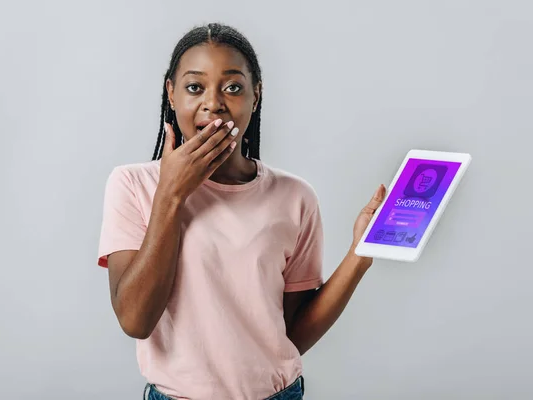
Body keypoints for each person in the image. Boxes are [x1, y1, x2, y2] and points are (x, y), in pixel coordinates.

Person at [97, 22, 386, 400]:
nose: (213, 102)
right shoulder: (133, 185)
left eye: (233, 87)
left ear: (256, 95)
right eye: (194, 87)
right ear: (171, 92)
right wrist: (171, 194)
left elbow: (291, 335)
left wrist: (359, 256)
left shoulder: (295, 197)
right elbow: (135, 320)